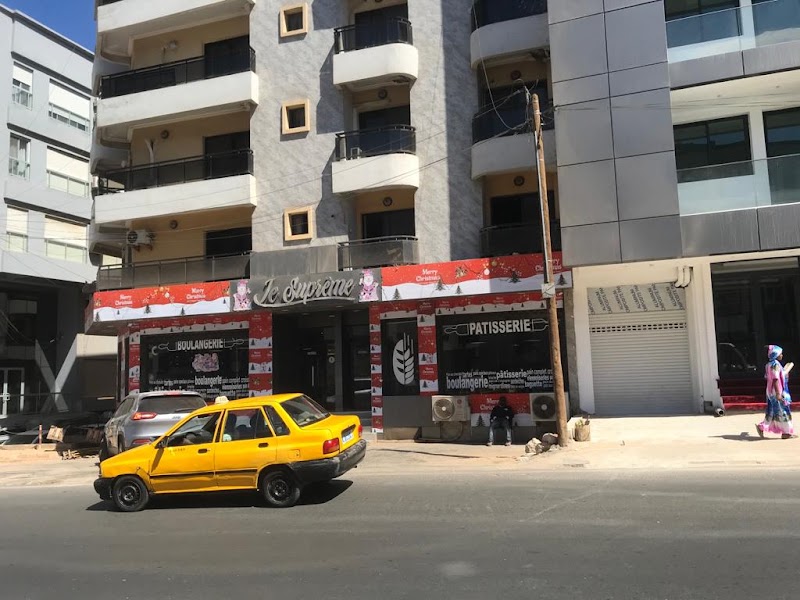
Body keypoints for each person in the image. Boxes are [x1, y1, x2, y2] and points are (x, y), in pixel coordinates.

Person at [757, 345, 795, 439]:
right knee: (783, 410)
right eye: (780, 354)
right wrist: (778, 393)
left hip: (771, 391)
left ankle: (762, 426)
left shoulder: (768, 365)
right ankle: (786, 432)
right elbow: (775, 379)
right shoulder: (775, 365)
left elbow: (769, 377)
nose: (782, 355)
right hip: (776, 391)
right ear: (775, 354)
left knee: (773, 411)